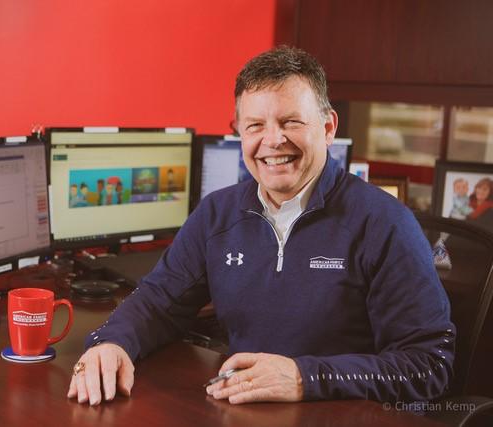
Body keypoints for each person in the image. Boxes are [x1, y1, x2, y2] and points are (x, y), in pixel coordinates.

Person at [68, 46, 454, 406]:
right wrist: (111, 343)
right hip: (242, 410)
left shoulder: (384, 223)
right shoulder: (217, 214)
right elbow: (157, 303)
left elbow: (429, 366)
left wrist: (305, 377)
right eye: (255, 126)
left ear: (328, 127)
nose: (273, 140)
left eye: (291, 122)